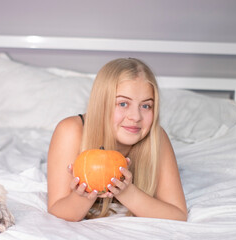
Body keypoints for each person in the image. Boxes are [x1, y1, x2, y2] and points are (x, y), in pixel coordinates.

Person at [47, 58, 187, 222]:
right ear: (101, 104)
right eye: (122, 104)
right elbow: (57, 211)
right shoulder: (71, 130)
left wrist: (126, 192)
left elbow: (178, 215)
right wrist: (84, 195)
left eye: (146, 106)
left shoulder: (156, 137)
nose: (135, 117)